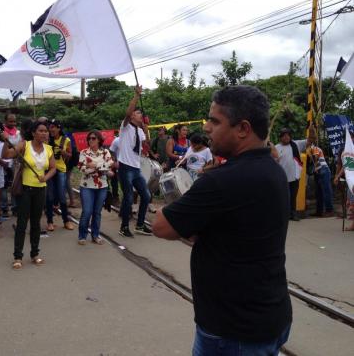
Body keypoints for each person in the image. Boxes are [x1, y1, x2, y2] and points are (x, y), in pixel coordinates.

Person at [152, 86, 292, 356]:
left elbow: (162, 226)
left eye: (215, 121)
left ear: (243, 128)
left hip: (232, 330)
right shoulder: (273, 171)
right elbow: (239, 230)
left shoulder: (222, 180)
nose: (206, 128)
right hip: (271, 315)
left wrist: (188, 222)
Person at [2, 121, 56, 269]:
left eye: (46, 131)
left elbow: (53, 168)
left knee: (36, 223)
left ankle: (35, 254)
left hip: (40, 189)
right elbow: (7, 155)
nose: (45, 133)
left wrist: (46, 177)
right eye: (41, 131)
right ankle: (18, 256)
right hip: (25, 189)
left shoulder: (49, 149)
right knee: (22, 223)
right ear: (33, 133)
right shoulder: (24, 145)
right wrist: (5, 141)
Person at [117, 85, 152, 237]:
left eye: (140, 113)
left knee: (146, 196)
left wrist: (146, 130)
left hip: (136, 168)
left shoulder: (139, 130)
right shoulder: (125, 127)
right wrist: (137, 95)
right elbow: (127, 112)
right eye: (138, 113)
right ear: (132, 116)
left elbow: (147, 144)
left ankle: (139, 224)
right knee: (129, 197)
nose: (139, 115)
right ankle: (124, 226)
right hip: (125, 167)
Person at [77, 131, 114, 245]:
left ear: (99, 140)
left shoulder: (105, 151)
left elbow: (110, 163)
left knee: (97, 212)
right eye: (89, 139)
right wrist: (101, 167)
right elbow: (82, 169)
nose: (90, 140)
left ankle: (95, 235)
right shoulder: (84, 152)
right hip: (87, 186)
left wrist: (93, 166)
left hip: (102, 186)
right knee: (87, 212)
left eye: (93, 138)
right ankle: (82, 235)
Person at [45, 119, 74, 231]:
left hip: (61, 170)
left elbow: (70, 155)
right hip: (49, 170)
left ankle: (66, 220)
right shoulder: (47, 140)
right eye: (50, 127)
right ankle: (50, 222)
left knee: (62, 195)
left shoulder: (66, 140)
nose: (51, 129)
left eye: (53, 127)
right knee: (50, 196)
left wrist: (64, 153)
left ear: (59, 128)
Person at [275, 128, 307, 221]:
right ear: (280, 137)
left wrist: (312, 128)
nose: (286, 137)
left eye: (288, 135)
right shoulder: (276, 148)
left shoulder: (296, 144)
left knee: (293, 197)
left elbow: (310, 140)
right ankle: (283, 215)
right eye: (284, 135)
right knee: (283, 197)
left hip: (295, 176)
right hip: (282, 177)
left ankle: (293, 214)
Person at [1, 114, 22, 217]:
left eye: (14, 121)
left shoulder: (18, 133)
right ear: (5, 121)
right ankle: (4, 208)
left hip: (14, 162)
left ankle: (15, 207)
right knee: (4, 185)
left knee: (14, 185)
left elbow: (19, 147)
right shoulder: (1, 133)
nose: (13, 123)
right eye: (10, 121)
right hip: (2, 161)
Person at [309, 141, 334, 217]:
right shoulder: (310, 149)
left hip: (322, 170)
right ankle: (319, 211)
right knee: (319, 193)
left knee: (326, 191)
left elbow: (316, 157)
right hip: (319, 171)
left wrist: (315, 166)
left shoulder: (314, 147)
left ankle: (329, 210)